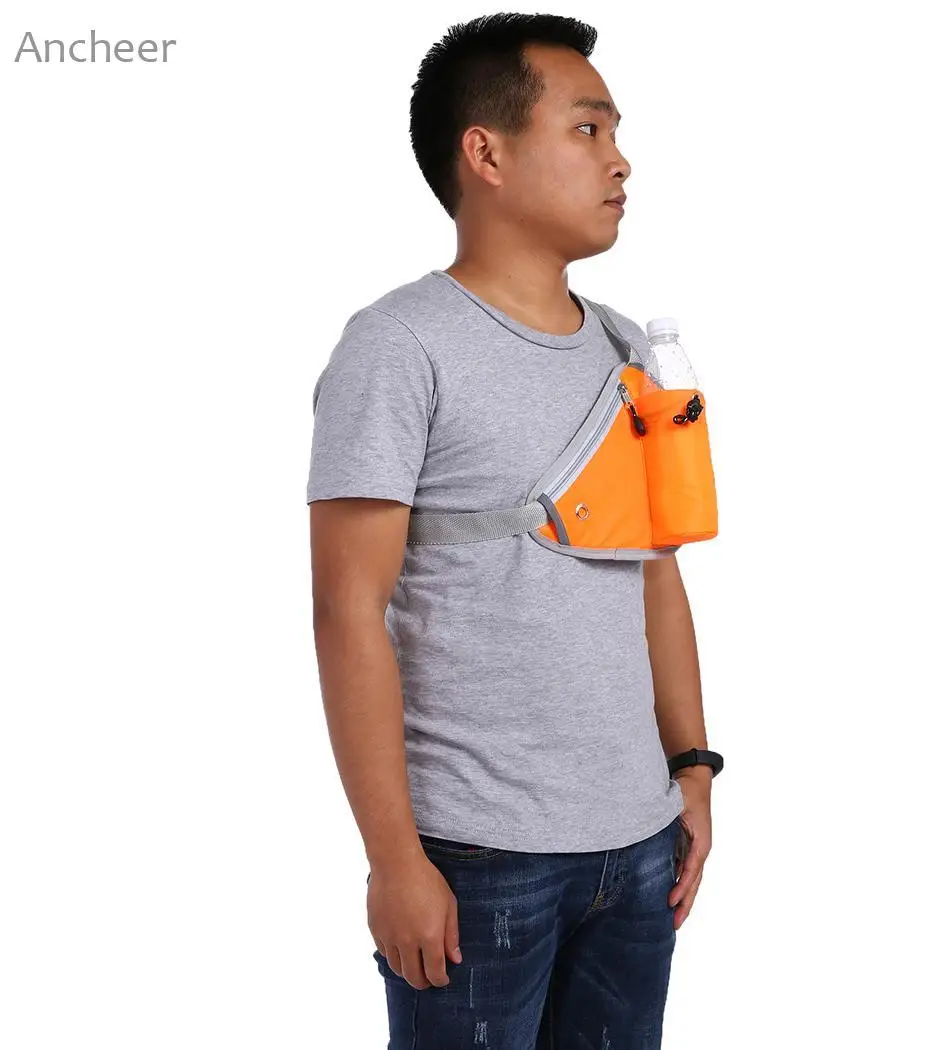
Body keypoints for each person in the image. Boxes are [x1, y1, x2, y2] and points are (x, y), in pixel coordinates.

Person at [307, 13, 717, 1048]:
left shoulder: (629, 348)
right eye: (587, 129)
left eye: (615, 132)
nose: (620, 159)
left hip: (640, 849)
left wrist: (694, 770)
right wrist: (394, 860)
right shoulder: (398, 346)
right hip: (479, 860)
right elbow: (348, 611)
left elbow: (655, 577)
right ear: (485, 154)